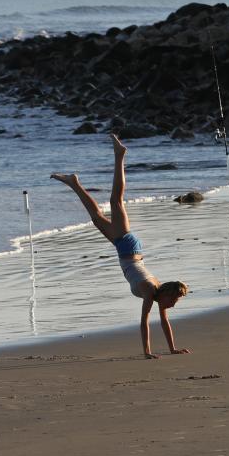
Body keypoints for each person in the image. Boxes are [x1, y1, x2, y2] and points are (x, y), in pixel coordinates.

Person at [51, 134, 190, 359]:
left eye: (175, 302)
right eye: (173, 301)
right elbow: (144, 323)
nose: (173, 305)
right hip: (128, 248)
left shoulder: (159, 295)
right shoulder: (149, 291)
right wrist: (147, 353)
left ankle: (74, 183)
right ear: (166, 294)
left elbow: (164, 324)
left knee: (96, 218)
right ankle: (119, 156)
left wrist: (173, 349)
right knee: (116, 200)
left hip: (128, 250)